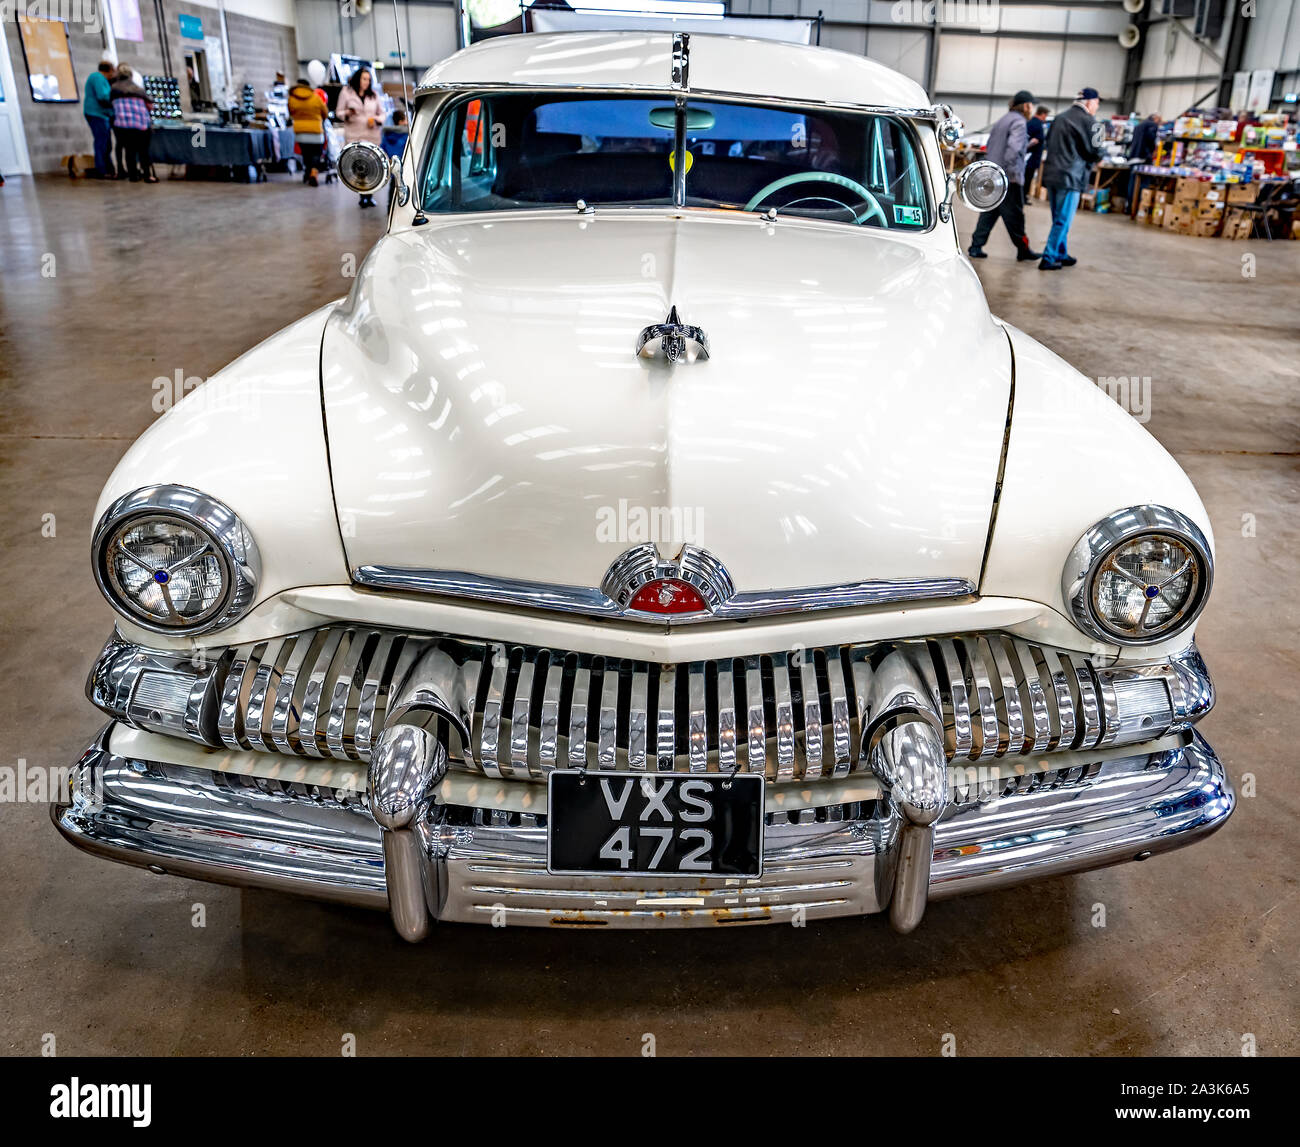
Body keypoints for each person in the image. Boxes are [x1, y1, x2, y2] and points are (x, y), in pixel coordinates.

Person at [968, 90, 1041, 262]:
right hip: (1009, 178)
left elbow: (993, 146)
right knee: (1015, 215)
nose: (1032, 109)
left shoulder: (1003, 120)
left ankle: (975, 246)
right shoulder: (1020, 122)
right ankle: (1023, 250)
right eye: (1031, 105)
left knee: (990, 212)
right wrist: (1012, 174)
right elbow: (1012, 151)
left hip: (994, 176)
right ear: (1026, 106)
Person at [1040, 86, 1103, 270]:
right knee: (1063, 219)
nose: (1097, 107)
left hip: (1052, 174)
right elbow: (1097, 151)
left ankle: (1061, 252)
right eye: (1097, 103)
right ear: (1090, 102)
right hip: (1071, 177)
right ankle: (1049, 257)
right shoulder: (1092, 122)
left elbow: (1047, 142)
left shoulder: (1059, 118)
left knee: (1058, 218)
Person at [337, 67, 383, 208]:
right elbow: (338, 112)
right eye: (364, 79)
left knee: (372, 168)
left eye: (369, 80)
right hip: (354, 135)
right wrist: (348, 113)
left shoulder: (374, 95)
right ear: (358, 79)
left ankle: (370, 196)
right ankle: (363, 195)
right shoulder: (346, 92)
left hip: (371, 136)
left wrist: (375, 119)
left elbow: (382, 114)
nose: (367, 82)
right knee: (359, 168)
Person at [109, 64, 157, 184]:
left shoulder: (113, 89)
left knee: (129, 151)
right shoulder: (138, 89)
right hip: (141, 123)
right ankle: (147, 175)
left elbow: (110, 104)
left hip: (123, 124)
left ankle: (133, 175)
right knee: (143, 151)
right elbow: (150, 105)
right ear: (131, 76)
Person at [288, 77, 329, 186]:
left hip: (300, 130)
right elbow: (325, 112)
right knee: (316, 153)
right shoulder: (315, 97)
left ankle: (307, 171)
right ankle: (313, 173)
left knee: (306, 153)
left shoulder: (291, 98)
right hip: (316, 129)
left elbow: (291, 113)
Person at [83, 60, 116, 179]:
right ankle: (102, 170)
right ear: (110, 70)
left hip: (101, 114)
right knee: (102, 142)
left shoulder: (100, 79)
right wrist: (116, 100)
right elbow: (103, 96)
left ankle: (109, 169)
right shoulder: (98, 77)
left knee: (106, 143)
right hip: (96, 114)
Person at [381, 108, 409, 209]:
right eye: (405, 120)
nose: (407, 122)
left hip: (391, 164)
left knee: (393, 186)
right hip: (403, 163)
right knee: (403, 185)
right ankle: (401, 205)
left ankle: (390, 207)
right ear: (400, 121)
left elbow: (383, 147)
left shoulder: (387, 134)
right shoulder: (406, 134)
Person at [1024, 105, 1050, 194]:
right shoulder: (1037, 124)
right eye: (1045, 116)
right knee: (1028, 177)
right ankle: (1024, 196)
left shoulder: (1030, 122)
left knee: (1027, 176)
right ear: (1042, 114)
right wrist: (1026, 148)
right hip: (1031, 157)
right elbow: (1034, 140)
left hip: (1028, 156)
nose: (1045, 118)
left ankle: (1023, 195)